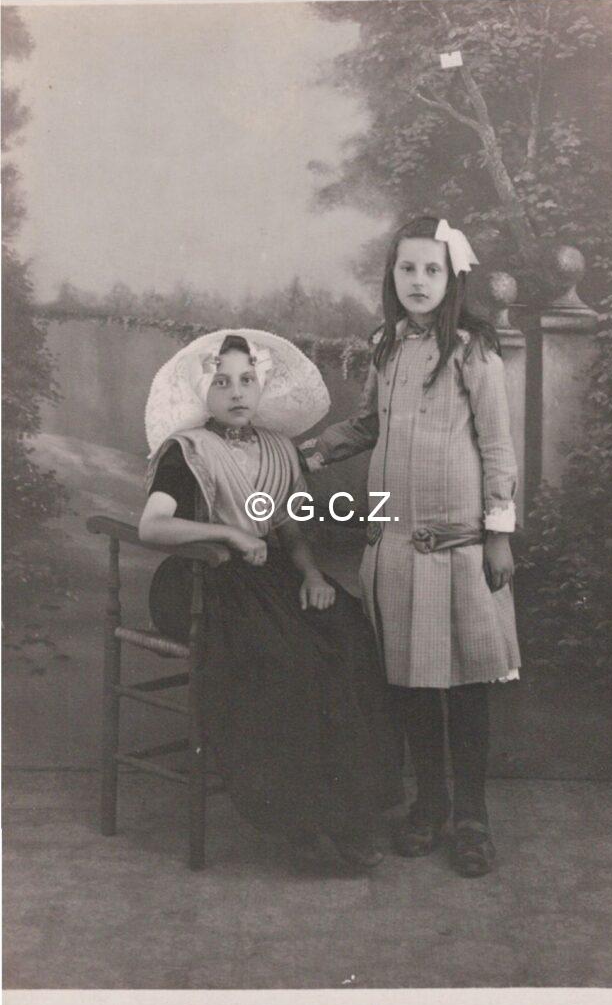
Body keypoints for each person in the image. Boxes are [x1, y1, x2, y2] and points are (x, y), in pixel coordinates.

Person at [299, 217, 521, 877]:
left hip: (460, 547)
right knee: (412, 685)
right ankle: (430, 803)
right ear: (391, 276)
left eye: (431, 269)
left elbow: (496, 447)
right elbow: (370, 423)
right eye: (406, 269)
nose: (417, 281)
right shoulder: (387, 346)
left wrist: (499, 535)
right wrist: (312, 452)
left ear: (452, 278)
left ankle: (472, 817)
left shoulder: (472, 351)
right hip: (394, 547)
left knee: (466, 688)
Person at [139, 328, 402, 871]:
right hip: (203, 580)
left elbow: (289, 528)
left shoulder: (279, 450)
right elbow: (153, 526)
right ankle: (299, 825)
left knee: (349, 634)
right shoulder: (187, 451)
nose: (237, 392)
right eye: (222, 382)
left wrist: (312, 575)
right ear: (203, 393)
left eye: (247, 380)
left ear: (261, 388)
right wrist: (228, 534)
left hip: (268, 577)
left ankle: (349, 814)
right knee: (288, 660)